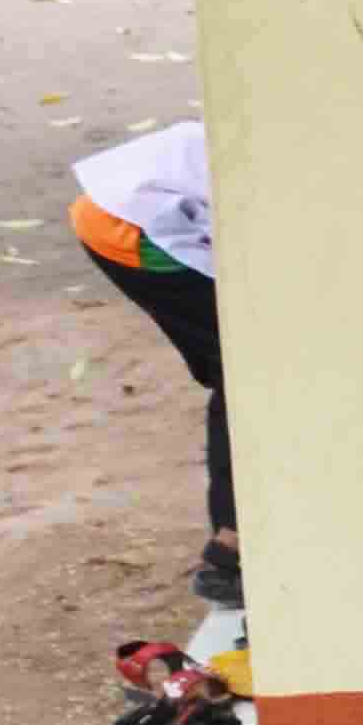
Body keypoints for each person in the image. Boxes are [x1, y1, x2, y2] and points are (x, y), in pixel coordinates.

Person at [68, 119, 235, 607]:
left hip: (127, 207)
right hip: (133, 225)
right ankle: (231, 550)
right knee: (244, 376)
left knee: (236, 370)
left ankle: (233, 545)